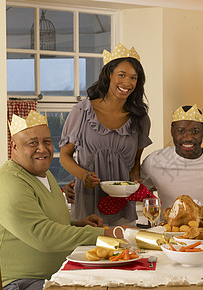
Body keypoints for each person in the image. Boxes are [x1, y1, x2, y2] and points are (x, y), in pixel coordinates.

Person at [0, 111, 123, 290]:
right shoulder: (9, 182)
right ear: (14, 147)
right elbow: (43, 236)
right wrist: (106, 235)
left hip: (52, 276)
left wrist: (78, 224)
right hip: (17, 286)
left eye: (47, 142)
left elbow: (45, 221)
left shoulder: (44, 175)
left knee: (114, 286)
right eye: (33, 143)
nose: (42, 149)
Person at [59, 43, 152, 226]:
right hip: (87, 202)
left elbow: (135, 163)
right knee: (88, 253)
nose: (127, 83)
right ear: (109, 74)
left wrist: (134, 179)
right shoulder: (82, 111)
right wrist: (82, 175)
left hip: (122, 206)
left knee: (125, 253)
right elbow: (64, 155)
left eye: (133, 77)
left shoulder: (140, 118)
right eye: (122, 75)